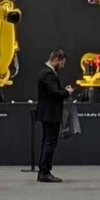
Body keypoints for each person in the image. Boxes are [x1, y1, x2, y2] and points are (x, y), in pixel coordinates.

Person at [36, 49, 74, 183]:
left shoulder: (44, 72)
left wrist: (63, 90)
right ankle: (45, 172)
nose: (62, 67)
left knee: (46, 142)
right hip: (50, 113)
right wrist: (67, 92)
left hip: (47, 113)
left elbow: (51, 91)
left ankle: (43, 171)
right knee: (50, 142)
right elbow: (53, 93)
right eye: (62, 63)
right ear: (56, 60)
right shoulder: (49, 74)